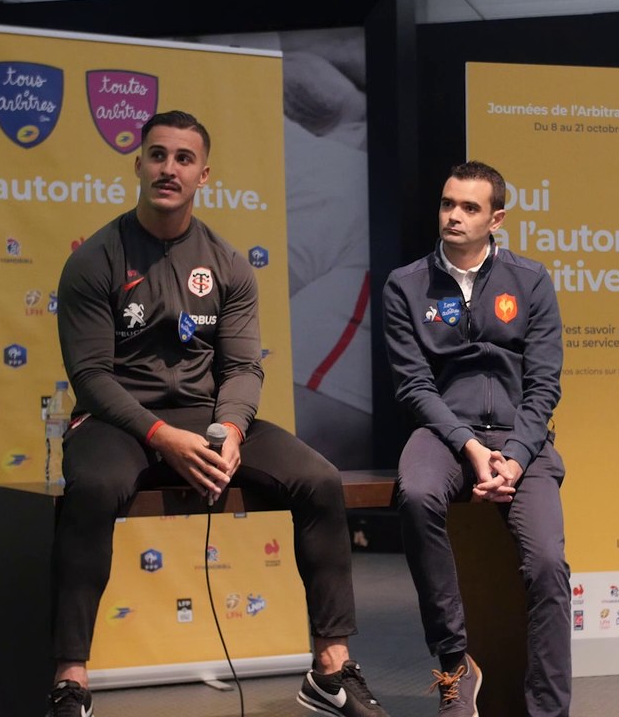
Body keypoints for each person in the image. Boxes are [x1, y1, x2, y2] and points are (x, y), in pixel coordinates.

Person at [47, 110, 389, 717]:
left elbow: (242, 369)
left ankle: (331, 669)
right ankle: (70, 681)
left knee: (318, 479)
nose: (168, 168)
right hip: (120, 422)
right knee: (93, 486)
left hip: (205, 415)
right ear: (138, 164)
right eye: (157, 155)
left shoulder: (228, 263)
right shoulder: (95, 259)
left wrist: (229, 430)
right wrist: (164, 438)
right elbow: (92, 378)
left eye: (183, 159)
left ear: (204, 174)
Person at [382, 161, 571, 716]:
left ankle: (549, 709)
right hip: (441, 430)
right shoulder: (406, 284)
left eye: (469, 207)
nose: (454, 216)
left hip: (520, 438)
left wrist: (512, 458)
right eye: (447, 204)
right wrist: (468, 445)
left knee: (548, 566)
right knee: (416, 496)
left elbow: (543, 385)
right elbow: (414, 385)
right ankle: (455, 661)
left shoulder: (530, 279)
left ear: (497, 218)